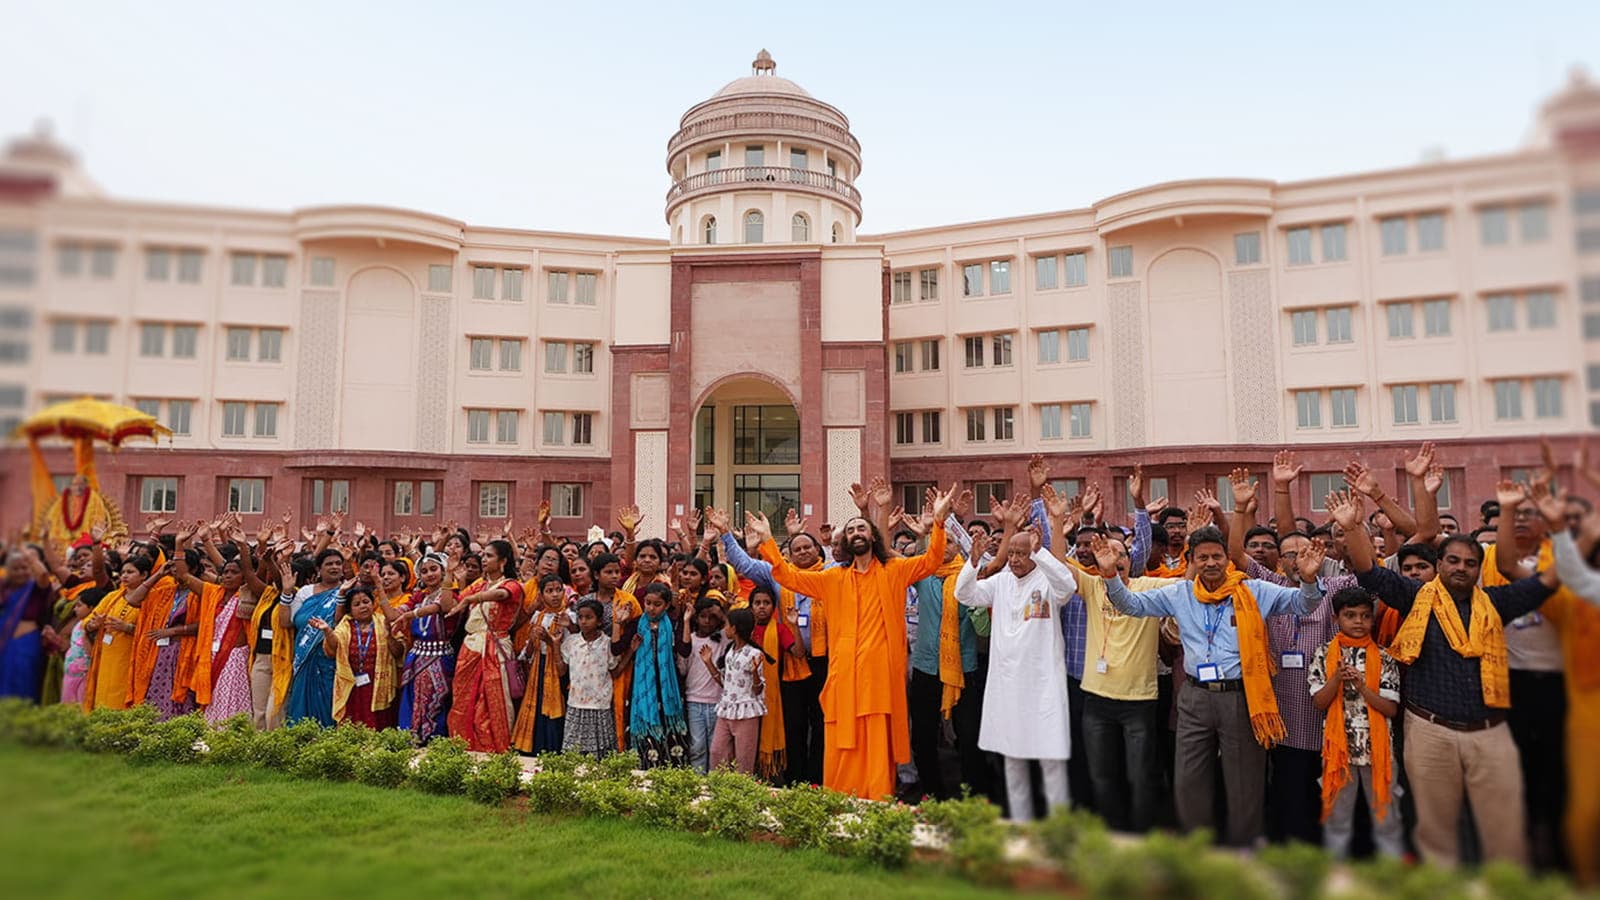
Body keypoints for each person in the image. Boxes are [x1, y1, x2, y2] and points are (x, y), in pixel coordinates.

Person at [1337, 486, 1559, 866]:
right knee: (1437, 833)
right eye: (1452, 561)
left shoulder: (1497, 603)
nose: (1460, 568)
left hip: (1490, 732)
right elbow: (1369, 573)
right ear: (1438, 564)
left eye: (1469, 563)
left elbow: (1545, 583)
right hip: (1429, 730)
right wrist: (1353, 528)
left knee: (1505, 832)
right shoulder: (1415, 597)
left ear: (1478, 569)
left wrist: (1568, 532)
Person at [1095, 525, 1329, 847]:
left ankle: (1242, 850)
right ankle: (1196, 849)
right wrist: (1109, 576)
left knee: (1245, 781)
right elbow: (1131, 606)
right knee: (1189, 778)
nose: (1210, 563)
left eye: (1216, 556)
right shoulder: (1180, 593)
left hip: (1240, 697)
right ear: (1192, 560)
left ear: (1227, 559)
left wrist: (1308, 580)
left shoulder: (1254, 590)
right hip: (1194, 697)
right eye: (1202, 557)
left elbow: (1304, 605)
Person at [744, 482, 958, 801]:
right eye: (851, 529)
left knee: (875, 739)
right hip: (844, 675)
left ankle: (876, 796)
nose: (856, 531)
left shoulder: (894, 570)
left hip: (879, 676)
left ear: (872, 536)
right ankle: (839, 797)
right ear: (845, 540)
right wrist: (768, 542)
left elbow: (931, 561)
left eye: (862, 527)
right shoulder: (833, 578)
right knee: (841, 737)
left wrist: (938, 523)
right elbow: (788, 577)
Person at [1045, 485, 1177, 833]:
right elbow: (1059, 567)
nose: (1111, 557)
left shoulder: (1148, 588)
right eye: (1106, 551)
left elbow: (1189, 585)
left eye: (1119, 552)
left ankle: (1140, 837)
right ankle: (1112, 835)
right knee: (1101, 777)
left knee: (1140, 777)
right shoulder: (1092, 585)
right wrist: (1058, 522)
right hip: (1097, 699)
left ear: (1129, 559)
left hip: (1139, 701)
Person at [955, 498, 1079, 821]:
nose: (1014, 560)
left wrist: (1041, 553)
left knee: (1050, 761)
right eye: (1011, 553)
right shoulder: (1000, 582)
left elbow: (1067, 586)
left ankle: (1059, 828)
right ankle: (1022, 827)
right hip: (1007, 687)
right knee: (1013, 760)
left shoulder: (1048, 581)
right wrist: (971, 563)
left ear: (1034, 554)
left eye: (1022, 553)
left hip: (1042, 687)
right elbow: (965, 595)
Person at [717, 513, 829, 785]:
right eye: (796, 549)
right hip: (791, 662)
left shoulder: (832, 574)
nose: (802, 552)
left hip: (826, 661)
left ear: (819, 551)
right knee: (795, 723)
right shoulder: (779, 574)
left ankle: (818, 779)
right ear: (788, 554)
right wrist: (725, 533)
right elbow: (743, 563)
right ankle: (795, 779)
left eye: (807, 547)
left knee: (824, 725)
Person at [1310, 587, 1403, 859]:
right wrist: (1337, 679)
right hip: (1338, 751)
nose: (1358, 622)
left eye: (1365, 616)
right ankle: (1335, 877)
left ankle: (1392, 874)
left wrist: (1362, 687)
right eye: (1350, 615)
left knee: (1386, 818)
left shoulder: (1385, 657)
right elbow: (1319, 703)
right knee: (1337, 818)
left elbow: (1390, 708)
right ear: (1336, 618)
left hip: (1379, 750)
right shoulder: (1324, 654)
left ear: (1373, 620)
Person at [447, 539, 523, 752]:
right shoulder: (478, 585)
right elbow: (448, 605)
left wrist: (471, 599)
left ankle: (494, 749)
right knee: (463, 700)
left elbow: (501, 595)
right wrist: (448, 574)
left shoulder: (512, 584)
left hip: (495, 647)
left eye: (489, 555)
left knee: (491, 701)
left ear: (503, 561)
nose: (483, 559)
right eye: (483, 555)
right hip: (471, 648)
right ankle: (463, 746)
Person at [311, 584, 399, 728]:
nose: (363, 606)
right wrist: (327, 631)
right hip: (351, 685)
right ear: (350, 610)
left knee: (379, 727)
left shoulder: (384, 623)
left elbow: (398, 653)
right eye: (357, 604)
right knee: (351, 728)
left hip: (378, 684)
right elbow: (334, 649)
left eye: (366, 602)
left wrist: (389, 637)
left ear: (373, 603)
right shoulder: (345, 626)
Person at [392, 553, 458, 743]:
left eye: (434, 569)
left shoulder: (451, 595)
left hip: (439, 657)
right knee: (411, 701)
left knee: (434, 702)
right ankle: (408, 740)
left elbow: (444, 607)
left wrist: (451, 573)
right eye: (424, 571)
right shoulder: (419, 597)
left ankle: (432, 742)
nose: (429, 574)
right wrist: (378, 585)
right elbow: (392, 615)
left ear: (443, 570)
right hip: (415, 658)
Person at [627, 582, 690, 768]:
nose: (651, 608)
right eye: (648, 603)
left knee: (671, 736)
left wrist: (686, 621)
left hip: (668, 690)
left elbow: (685, 650)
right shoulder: (635, 624)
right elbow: (616, 649)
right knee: (646, 734)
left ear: (667, 605)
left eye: (657, 604)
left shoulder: (673, 623)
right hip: (643, 690)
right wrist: (617, 624)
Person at [83, 554, 155, 711]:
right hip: (105, 659)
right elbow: (87, 623)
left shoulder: (151, 599)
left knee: (122, 701)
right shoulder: (112, 597)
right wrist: (93, 625)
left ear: (144, 575)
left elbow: (154, 632)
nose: (124, 576)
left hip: (130, 660)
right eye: (123, 572)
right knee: (102, 700)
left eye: (130, 572)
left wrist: (128, 628)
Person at [286, 548, 347, 726]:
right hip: (304, 656)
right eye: (329, 564)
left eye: (338, 563)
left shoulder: (346, 591)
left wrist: (342, 595)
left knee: (326, 700)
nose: (334, 567)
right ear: (319, 569)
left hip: (329, 657)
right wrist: (286, 591)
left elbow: (341, 620)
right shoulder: (306, 592)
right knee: (300, 702)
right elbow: (289, 620)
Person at [749, 585, 801, 781]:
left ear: (773, 607)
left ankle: (771, 778)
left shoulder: (779, 629)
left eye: (766, 603)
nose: (762, 607)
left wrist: (794, 626)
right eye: (757, 603)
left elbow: (798, 653)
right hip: (746, 694)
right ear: (751, 606)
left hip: (772, 694)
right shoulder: (746, 628)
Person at [512, 574, 568, 754]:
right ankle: (534, 748)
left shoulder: (569, 617)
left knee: (554, 709)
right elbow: (526, 654)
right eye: (549, 591)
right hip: (538, 667)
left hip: (559, 670)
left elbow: (568, 649)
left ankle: (553, 750)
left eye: (558, 590)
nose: (555, 595)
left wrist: (550, 641)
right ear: (541, 596)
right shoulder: (537, 616)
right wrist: (533, 641)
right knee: (537, 709)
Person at [711, 606, 769, 775]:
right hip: (727, 708)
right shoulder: (730, 651)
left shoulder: (754, 654)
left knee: (744, 758)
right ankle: (719, 789)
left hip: (746, 711)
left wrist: (755, 674)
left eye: (727, 625)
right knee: (717, 751)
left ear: (734, 628)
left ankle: (741, 796)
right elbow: (725, 682)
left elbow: (758, 690)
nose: (725, 629)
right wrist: (708, 663)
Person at [559, 599, 618, 759]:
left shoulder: (607, 643)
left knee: (600, 754)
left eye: (589, 617)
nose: (583, 621)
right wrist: (553, 645)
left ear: (599, 621)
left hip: (599, 704)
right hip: (576, 702)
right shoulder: (571, 642)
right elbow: (561, 670)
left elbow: (615, 670)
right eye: (580, 617)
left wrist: (630, 652)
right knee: (573, 753)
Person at [677, 598, 726, 773]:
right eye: (703, 616)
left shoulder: (722, 639)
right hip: (694, 700)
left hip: (716, 701)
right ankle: (698, 781)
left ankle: (714, 780)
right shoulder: (689, 639)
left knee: (715, 746)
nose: (706, 621)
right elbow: (682, 667)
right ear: (696, 618)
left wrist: (720, 612)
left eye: (711, 617)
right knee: (697, 745)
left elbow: (730, 626)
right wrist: (686, 620)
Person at [1, 547, 53, 700]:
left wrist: (30, 558)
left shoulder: (35, 589)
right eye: (15, 569)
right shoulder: (5, 590)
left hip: (26, 643)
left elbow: (43, 574)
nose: (20, 572)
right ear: (8, 571)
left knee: (26, 684)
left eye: (24, 568)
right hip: (4, 643)